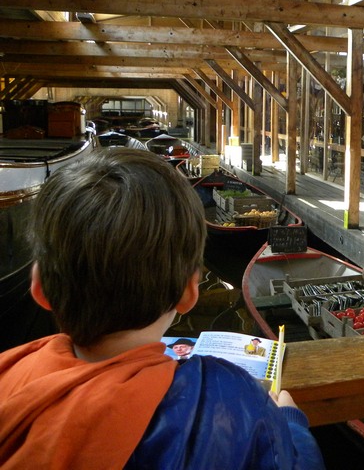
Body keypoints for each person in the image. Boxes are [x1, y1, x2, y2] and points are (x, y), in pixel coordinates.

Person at [0, 148, 325, 470]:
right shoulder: (228, 395)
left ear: (40, 288)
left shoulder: (9, 374)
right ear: (188, 292)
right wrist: (290, 421)